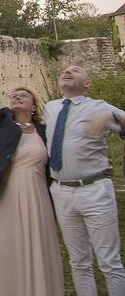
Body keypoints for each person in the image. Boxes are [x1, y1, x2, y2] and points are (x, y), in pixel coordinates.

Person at [0, 42, 62, 296]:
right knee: (11, 244)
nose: (17, 96)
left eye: (24, 95)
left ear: (34, 106)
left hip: (38, 195)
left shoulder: (45, 131)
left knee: (39, 241)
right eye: (14, 95)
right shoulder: (3, 124)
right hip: (9, 192)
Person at [44, 63, 125, 296]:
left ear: (87, 84)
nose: (68, 71)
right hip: (62, 191)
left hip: (94, 189)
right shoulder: (51, 108)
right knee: (78, 261)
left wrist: (114, 120)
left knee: (109, 261)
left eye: (76, 70)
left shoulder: (100, 107)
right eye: (65, 70)